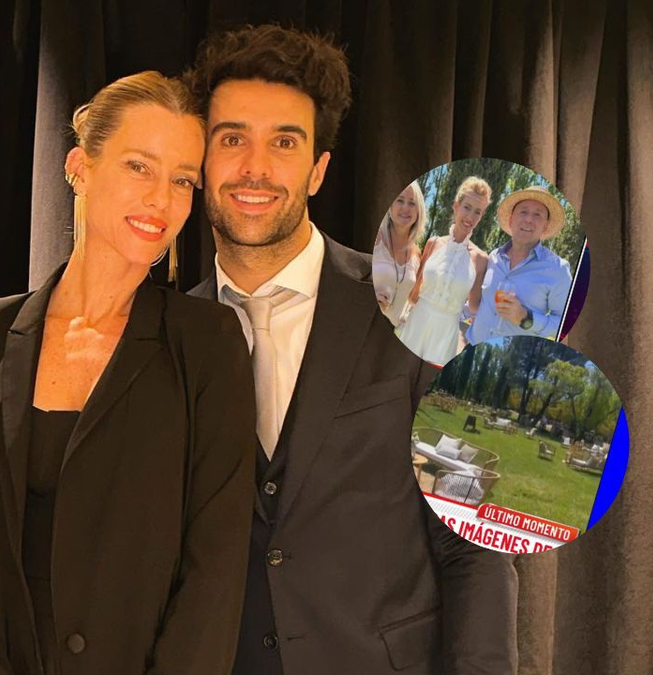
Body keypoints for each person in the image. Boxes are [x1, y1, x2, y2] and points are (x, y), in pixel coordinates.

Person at [184, 25, 518, 675]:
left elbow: (475, 542)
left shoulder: (415, 308)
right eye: (232, 139)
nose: (255, 167)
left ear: (318, 170)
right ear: (201, 161)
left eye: (285, 142)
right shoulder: (171, 333)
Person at [0, 71, 256, 674]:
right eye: (139, 167)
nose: (161, 200)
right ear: (80, 167)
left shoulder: (208, 344)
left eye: (182, 180)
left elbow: (215, 572)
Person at [397, 176, 492, 365]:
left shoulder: (481, 259)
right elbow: (414, 292)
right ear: (456, 206)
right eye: (467, 207)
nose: (471, 217)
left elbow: (475, 306)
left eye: (478, 212)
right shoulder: (433, 243)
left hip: (446, 334)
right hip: (416, 324)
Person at [465, 185, 573, 345]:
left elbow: (566, 324)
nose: (529, 219)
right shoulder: (494, 257)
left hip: (511, 358)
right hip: (472, 347)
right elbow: (482, 304)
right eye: (523, 212)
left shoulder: (558, 269)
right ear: (511, 219)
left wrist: (526, 318)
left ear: (545, 225)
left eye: (537, 214)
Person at [371, 181, 426, 326]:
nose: (405, 208)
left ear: (419, 210)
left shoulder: (417, 254)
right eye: (400, 200)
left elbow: (414, 298)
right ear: (390, 205)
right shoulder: (376, 239)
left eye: (412, 203)